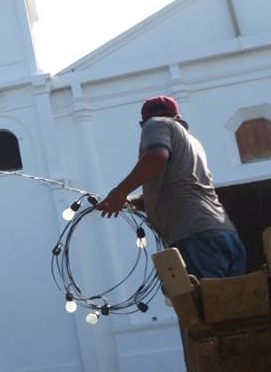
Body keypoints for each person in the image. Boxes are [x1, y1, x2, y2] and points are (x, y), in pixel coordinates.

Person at [97, 95, 247, 279]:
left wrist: (119, 192)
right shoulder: (193, 142)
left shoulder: (156, 124)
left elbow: (156, 156)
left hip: (195, 236)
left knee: (205, 305)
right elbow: (183, 187)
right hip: (224, 235)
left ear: (143, 123)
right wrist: (135, 201)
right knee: (232, 304)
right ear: (178, 117)